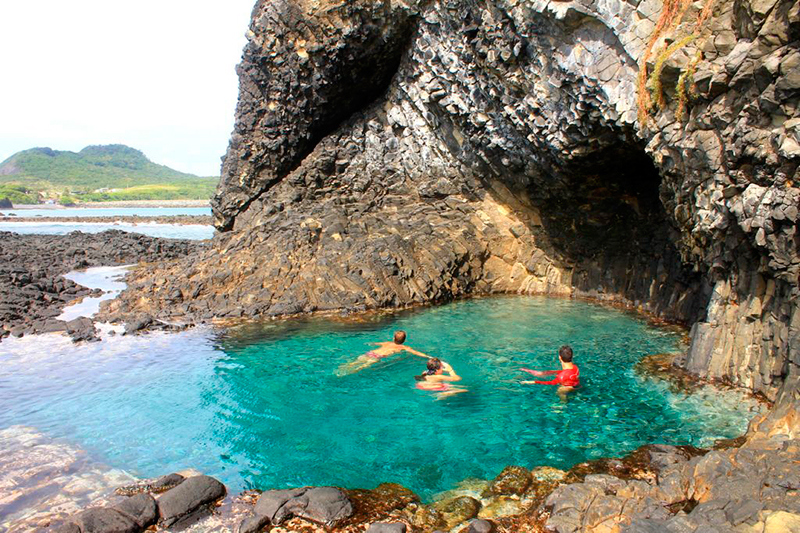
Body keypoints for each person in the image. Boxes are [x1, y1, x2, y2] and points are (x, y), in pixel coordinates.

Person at [337, 330, 430, 375]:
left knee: (355, 362)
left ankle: (345, 367)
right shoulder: (403, 347)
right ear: (404, 340)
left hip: (370, 353)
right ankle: (349, 372)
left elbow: (375, 343)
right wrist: (427, 356)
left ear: (393, 338)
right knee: (363, 366)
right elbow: (416, 352)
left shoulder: (387, 343)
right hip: (377, 357)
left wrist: (369, 343)